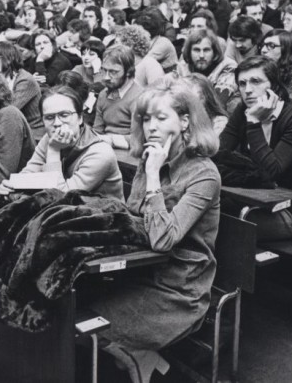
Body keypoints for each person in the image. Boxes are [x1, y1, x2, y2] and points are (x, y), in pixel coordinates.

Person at [87, 80, 220, 383]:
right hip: (141, 270)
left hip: (179, 288)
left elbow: (162, 240)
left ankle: (138, 358)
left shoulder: (204, 174)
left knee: (88, 322)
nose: (151, 127)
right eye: (146, 119)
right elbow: (134, 217)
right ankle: (139, 358)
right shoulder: (151, 157)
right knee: (72, 307)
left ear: (184, 121)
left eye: (161, 118)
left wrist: (152, 177)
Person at [219, 56, 292, 239]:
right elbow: (218, 152)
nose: (248, 90)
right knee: (200, 211)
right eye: (242, 83)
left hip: (290, 210)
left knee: (213, 223)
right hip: (250, 199)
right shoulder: (243, 110)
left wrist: (254, 122)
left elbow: (271, 171)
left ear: (274, 85)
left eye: (256, 81)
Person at [0, 85, 123, 202]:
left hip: (104, 215)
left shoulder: (100, 153)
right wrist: (11, 187)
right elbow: (29, 173)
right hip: (70, 212)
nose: (57, 123)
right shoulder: (49, 138)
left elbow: (59, 198)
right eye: (49, 117)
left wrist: (53, 150)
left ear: (80, 118)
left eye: (64, 115)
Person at [93, 45, 144, 150]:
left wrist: (110, 139)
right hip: (104, 148)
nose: (106, 77)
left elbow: (138, 139)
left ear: (128, 71)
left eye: (113, 72)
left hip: (128, 152)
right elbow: (97, 131)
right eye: (104, 70)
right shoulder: (103, 94)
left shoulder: (139, 97)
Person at [177, 29, 240, 113]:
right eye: (196, 50)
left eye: (206, 50)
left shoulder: (228, 66)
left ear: (214, 52)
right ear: (189, 51)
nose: (201, 55)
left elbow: (218, 103)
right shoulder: (183, 66)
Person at [0, 42, 42, 130]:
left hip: (33, 130)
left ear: (8, 59)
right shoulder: (0, 78)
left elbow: (8, 111)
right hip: (14, 127)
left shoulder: (25, 80)